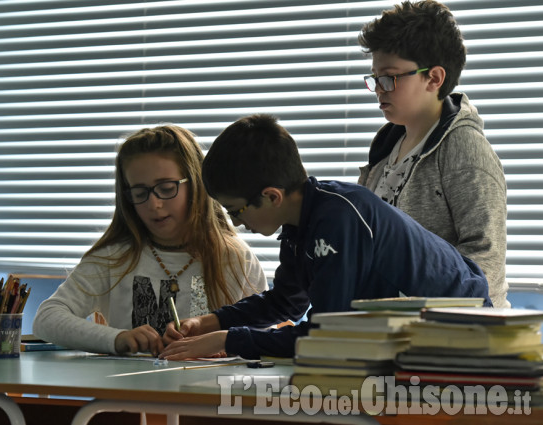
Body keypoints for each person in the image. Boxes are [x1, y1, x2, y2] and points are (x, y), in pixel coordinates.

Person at [159, 114, 491, 361]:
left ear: (272, 196)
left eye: (237, 210)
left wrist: (227, 341)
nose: (237, 222)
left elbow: (329, 334)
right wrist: (208, 322)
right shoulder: (298, 225)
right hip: (416, 339)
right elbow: (286, 302)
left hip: (465, 335)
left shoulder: (339, 220)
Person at [33, 125, 267, 356]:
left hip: (207, 391)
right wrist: (117, 338)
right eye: (139, 193)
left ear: (195, 184)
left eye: (166, 188)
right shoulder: (114, 258)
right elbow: (47, 318)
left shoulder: (236, 258)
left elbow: (262, 331)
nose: (154, 204)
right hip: (131, 392)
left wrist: (226, 345)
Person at [357, 0, 509, 308]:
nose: (379, 89)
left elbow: (486, 258)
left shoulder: (464, 147)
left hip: (452, 332)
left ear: (434, 78)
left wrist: (425, 310)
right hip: (388, 326)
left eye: (389, 77)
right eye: (374, 78)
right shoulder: (385, 145)